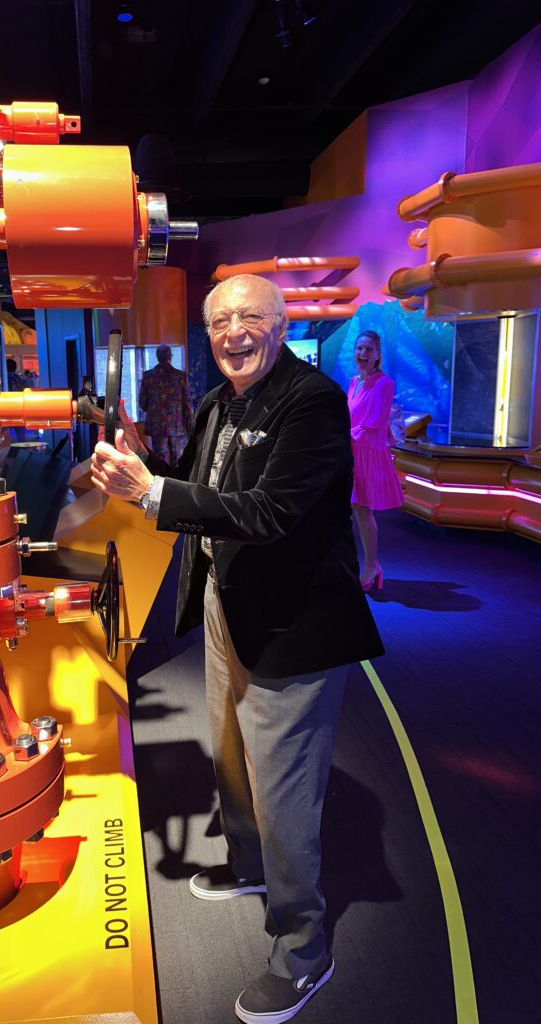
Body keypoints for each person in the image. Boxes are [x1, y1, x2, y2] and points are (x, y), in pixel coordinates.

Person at [91, 274, 383, 1023]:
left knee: (281, 786)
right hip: (230, 602)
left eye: (250, 316)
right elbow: (195, 486)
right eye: (220, 320)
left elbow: (271, 511)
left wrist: (152, 493)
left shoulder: (311, 402)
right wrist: (145, 473)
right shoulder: (220, 401)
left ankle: (303, 948)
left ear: (280, 324)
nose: (233, 332)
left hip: (295, 624)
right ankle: (251, 868)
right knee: (227, 750)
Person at [347, 331, 404, 592]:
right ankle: (366, 564)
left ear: (378, 354)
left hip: (368, 453)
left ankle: (372, 566)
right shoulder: (353, 382)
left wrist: (342, 437)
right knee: (355, 512)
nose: (363, 354)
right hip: (351, 451)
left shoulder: (384, 384)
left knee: (362, 510)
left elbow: (374, 423)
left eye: (369, 349)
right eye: (360, 348)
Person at [137, 343, 194, 466]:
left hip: (157, 426)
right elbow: (187, 403)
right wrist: (190, 425)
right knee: (179, 460)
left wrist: (154, 411)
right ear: (170, 357)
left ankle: (162, 483)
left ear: (157, 357)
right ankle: (178, 483)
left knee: (159, 459)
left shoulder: (148, 376)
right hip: (177, 425)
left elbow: (142, 402)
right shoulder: (180, 376)